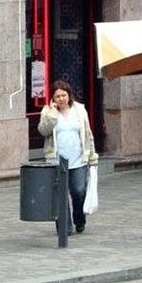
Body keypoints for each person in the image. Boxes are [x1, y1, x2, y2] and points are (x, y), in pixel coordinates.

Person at [37, 81, 98, 236]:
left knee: (79, 191)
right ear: (53, 98)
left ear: (69, 95)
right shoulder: (48, 112)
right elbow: (43, 131)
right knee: (60, 195)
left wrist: (92, 156)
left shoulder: (79, 110)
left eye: (64, 95)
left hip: (78, 160)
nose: (61, 99)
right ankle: (65, 227)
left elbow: (88, 134)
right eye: (57, 96)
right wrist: (52, 113)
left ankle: (79, 220)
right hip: (56, 161)